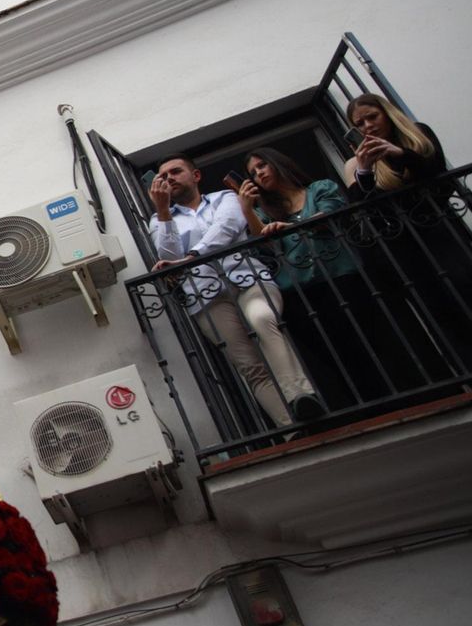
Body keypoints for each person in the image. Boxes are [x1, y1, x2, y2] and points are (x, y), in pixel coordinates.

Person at [148, 153, 321, 428]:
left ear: (195, 176)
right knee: (249, 365)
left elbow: (227, 228)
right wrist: (164, 212)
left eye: (176, 171)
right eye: (163, 176)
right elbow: (169, 257)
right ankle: (291, 427)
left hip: (248, 278)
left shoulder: (224, 198)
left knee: (262, 319)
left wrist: (192, 256)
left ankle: (301, 396)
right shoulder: (158, 221)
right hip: (204, 296)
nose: (169, 178)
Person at [232, 148, 381, 410]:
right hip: (299, 291)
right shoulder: (266, 211)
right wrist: (247, 210)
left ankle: (385, 398)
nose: (259, 174)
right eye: (253, 173)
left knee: (366, 343)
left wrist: (290, 227)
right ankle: (359, 407)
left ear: (278, 162)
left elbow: (330, 216)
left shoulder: (319, 189)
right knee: (331, 355)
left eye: (262, 166)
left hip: (341, 278)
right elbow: (265, 244)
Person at [340, 94, 471, 382]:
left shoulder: (417, 135)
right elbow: (365, 210)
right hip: (404, 247)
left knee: (464, 286)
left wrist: (398, 154)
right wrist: (364, 169)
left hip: (440, 231)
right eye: (359, 123)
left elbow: (439, 177)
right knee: (439, 308)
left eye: (372, 117)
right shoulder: (354, 164)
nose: (367, 126)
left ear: (386, 113)